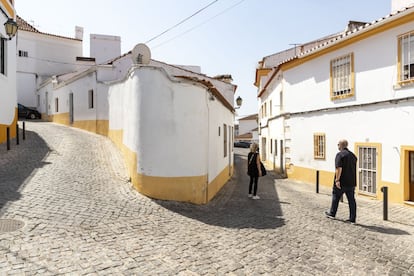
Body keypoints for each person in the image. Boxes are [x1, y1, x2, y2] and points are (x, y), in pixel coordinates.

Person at [325, 139, 358, 223]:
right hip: (351, 182)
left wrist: (337, 180)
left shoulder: (340, 155)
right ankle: (352, 218)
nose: (338, 146)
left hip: (342, 181)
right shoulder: (353, 156)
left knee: (336, 197)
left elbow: (339, 168)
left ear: (340, 145)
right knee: (351, 200)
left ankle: (332, 213)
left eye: (338, 144)